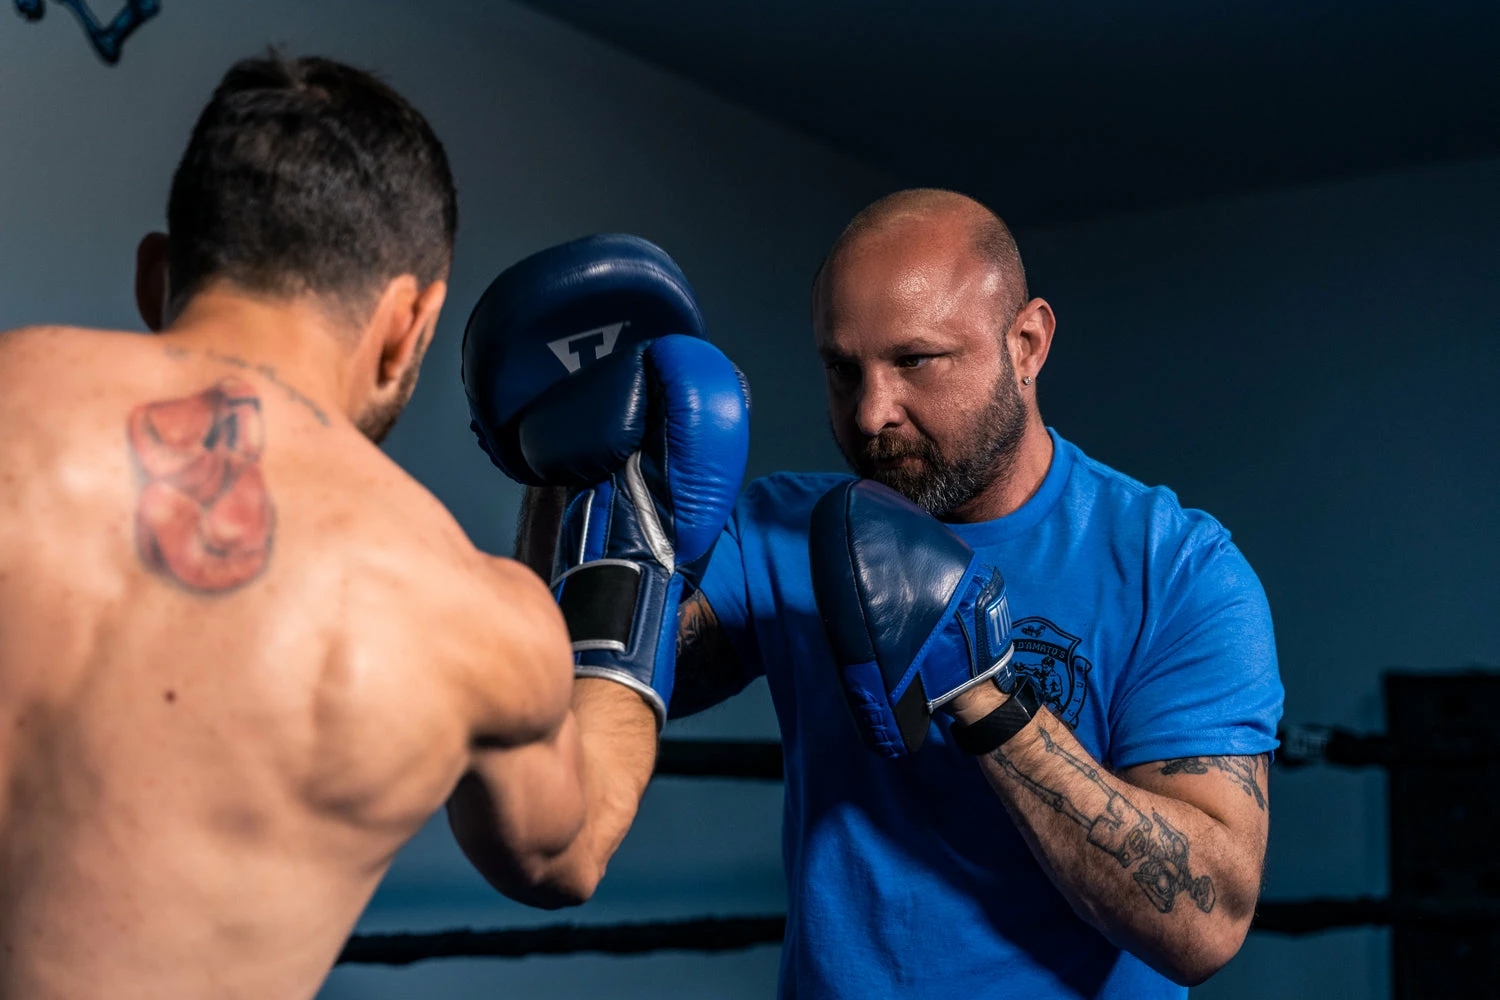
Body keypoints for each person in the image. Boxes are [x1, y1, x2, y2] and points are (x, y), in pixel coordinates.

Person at [0, 54, 665, 999]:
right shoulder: (469, 613)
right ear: (408, 325)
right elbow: (569, 853)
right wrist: (642, 560)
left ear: (159, 274)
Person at [508, 189, 1284, 998]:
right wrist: (568, 475)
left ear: (1026, 344)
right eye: (843, 370)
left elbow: (1205, 924)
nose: (872, 412)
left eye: (915, 361)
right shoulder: (783, 532)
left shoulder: (1179, 569)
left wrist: (988, 701)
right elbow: (554, 696)